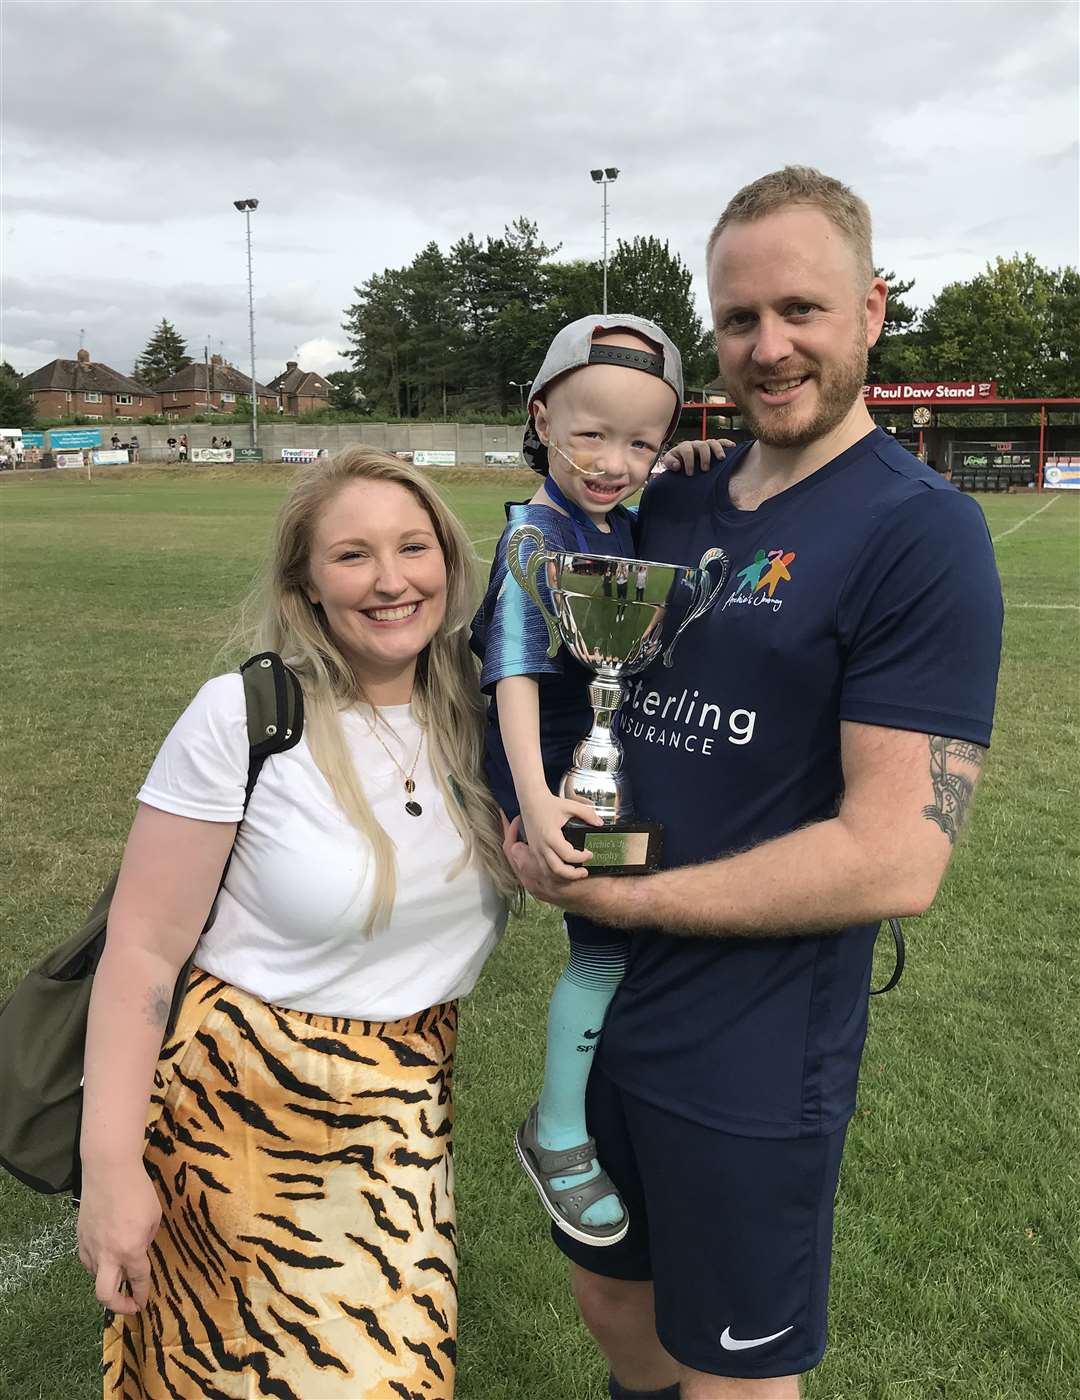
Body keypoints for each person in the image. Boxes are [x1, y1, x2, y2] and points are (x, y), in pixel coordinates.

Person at [503, 166, 1004, 1400]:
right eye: (739, 320)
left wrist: (626, 899)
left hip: (752, 1040)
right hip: (608, 1001)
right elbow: (543, 631)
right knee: (613, 1299)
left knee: (733, 1370)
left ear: (872, 311)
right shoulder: (668, 495)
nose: (769, 346)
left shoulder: (920, 531)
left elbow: (898, 854)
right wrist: (526, 807)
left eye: (802, 310)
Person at [77, 447, 517, 1398]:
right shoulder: (245, 716)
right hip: (241, 1106)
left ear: (450, 557)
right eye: (353, 556)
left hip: (407, 1104)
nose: (393, 580)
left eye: (414, 547)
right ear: (305, 584)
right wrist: (110, 1171)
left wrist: (691, 468)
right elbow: (143, 951)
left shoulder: (490, 714)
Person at [471, 315, 689, 1248]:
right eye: (592, 434)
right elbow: (512, 676)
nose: (615, 460)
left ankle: (604, 1105)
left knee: (631, 942)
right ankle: (557, 1130)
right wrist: (532, 797)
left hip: (600, 753)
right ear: (541, 417)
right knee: (600, 947)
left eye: (643, 441)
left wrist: (688, 460)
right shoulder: (535, 533)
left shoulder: (617, 515)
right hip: (552, 762)